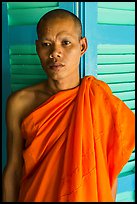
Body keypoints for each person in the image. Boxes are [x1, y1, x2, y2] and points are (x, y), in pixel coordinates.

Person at [2, 9, 135, 202]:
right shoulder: (20, 103)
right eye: (47, 44)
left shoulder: (99, 100)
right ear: (37, 48)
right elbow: (13, 169)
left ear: (82, 46)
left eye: (66, 42)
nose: (55, 52)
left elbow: (108, 172)